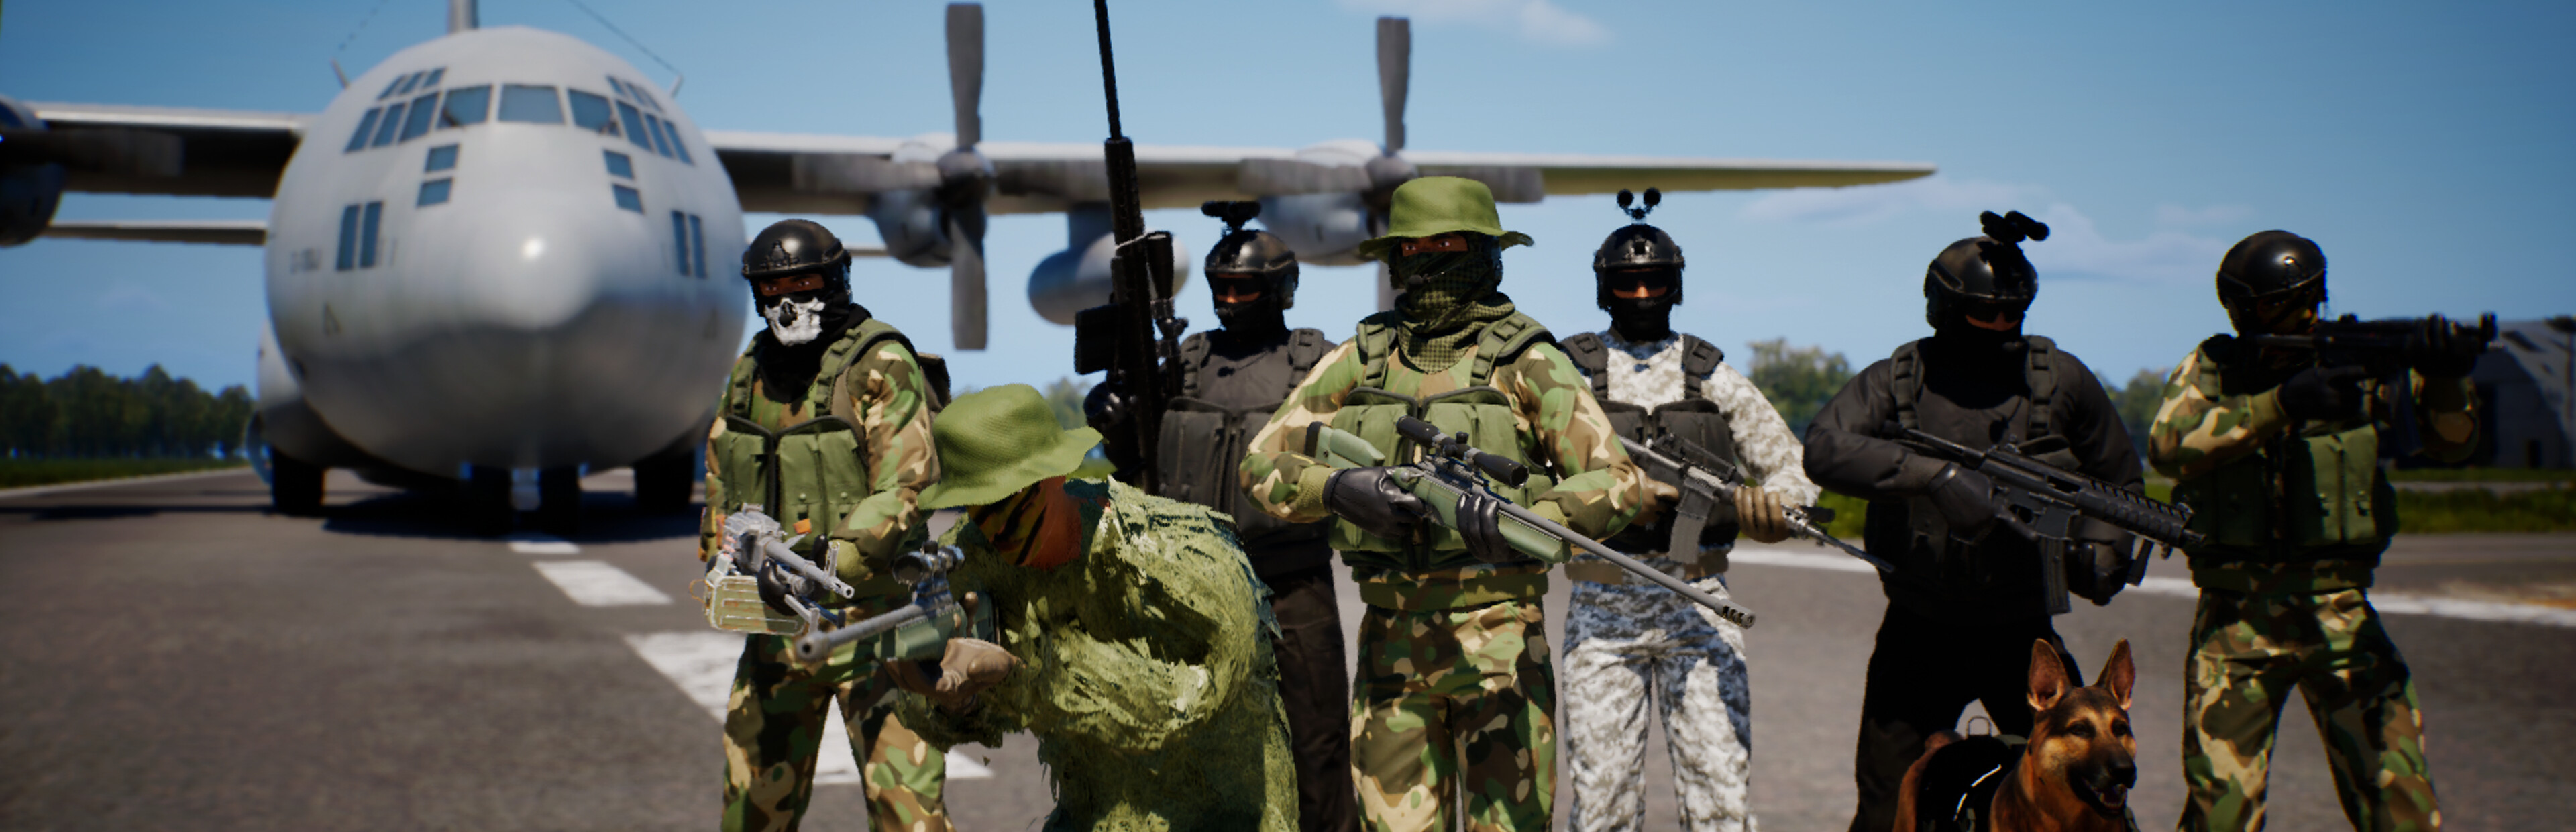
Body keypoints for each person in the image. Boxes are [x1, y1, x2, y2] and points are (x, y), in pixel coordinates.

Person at [1240, 176, 1650, 832]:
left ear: (1484, 253)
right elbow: (1260, 462)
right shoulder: (1363, 358)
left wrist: (1528, 523)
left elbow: (1616, 480)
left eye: (1447, 246)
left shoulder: (1527, 359)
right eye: (1413, 248)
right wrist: (1337, 490)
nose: (1428, 261)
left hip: (1501, 643)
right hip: (1390, 644)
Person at [1801, 211, 2143, 832]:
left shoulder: (2060, 380)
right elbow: (1824, 446)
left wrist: (2103, 549)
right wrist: (1932, 476)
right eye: (1985, 314)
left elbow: (2119, 481)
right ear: (1944, 306)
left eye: (2013, 313)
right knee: (1883, 807)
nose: (2001, 327)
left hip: (2022, 635)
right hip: (1918, 629)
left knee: (2095, 793)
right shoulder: (1900, 378)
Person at [2151, 230, 2478, 832]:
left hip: (2340, 613)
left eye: (2293, 301)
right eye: (2266, 304)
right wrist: (2281, 404)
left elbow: (2452, 445)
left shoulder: (2363, 363)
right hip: (2236, 620)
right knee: (2221, 813)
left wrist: (2447, 378)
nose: (2291, 315)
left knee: (2399, 803)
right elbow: (2171, 446)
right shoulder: (2216, 366)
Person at [888, 384, 1298, 831]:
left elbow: (1193, 703)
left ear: (1055, 475)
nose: (997, 528)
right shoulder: (970, 561)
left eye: (1010, 500)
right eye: (978, 507)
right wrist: (954, 701)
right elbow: (953, 721)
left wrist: (1025, 677)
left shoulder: (1180, 553)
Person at [1087, 201, 1355, 832]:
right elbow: (1140, 465)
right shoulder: (1183, 362)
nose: (1230, 300)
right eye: (1221, 287)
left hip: (1293, 586)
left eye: (1245, 288)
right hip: (1195, 587)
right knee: (1193, 748)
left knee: (1317, 743)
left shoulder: (1320, 362)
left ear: (1282, 289)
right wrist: (1113, 418)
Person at [1554, 191, 1816, 832]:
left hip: (1701, 608)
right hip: (1602, 612)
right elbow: (1526, 473)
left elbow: (1793, 468)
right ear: (1605, 288)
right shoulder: (1568, 376)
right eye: (1629, 282)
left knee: (1720, 801)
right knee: (1603, 807)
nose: (1643, 295)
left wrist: (1774, 509)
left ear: (1676, 285)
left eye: (1656, 281)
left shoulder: (1713, 377)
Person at [700, 219, 949, 832]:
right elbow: (722, 472)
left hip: (879, 628)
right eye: (772, 289)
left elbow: (907, 486)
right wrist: (720, 555)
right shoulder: (750, 370)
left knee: (908, 817)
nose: (787, 302)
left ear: (835, 281)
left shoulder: (879, 363)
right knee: (750, 813)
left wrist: (827, 563)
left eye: (803, 284)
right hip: (776, 629)